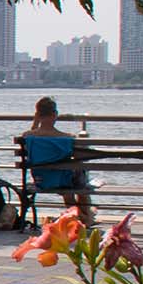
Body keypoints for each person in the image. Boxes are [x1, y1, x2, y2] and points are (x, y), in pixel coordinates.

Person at [17, 95, 93, 225]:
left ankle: (83, 217)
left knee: (68, 177)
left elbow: (29, 135)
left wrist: (35, 122)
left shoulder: (28, 137)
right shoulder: (67, 138)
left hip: (42, 180)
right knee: (80, 175)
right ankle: (86, 217)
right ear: (55, 114)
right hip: (63, 180)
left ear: (38, 115)